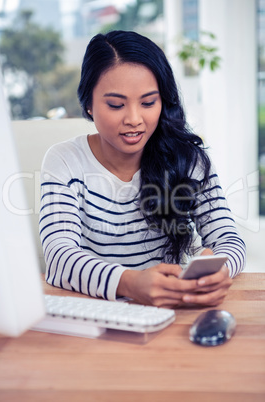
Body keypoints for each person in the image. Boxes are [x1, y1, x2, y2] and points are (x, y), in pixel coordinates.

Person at [39, 30, 246, 308]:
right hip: (93, 314)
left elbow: (229, 239)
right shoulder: (64, 161)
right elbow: (58, 256)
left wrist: (220, 269)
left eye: (148, 103)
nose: (135, 119)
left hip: (171, 312)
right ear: (88, 104)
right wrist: (129, 282)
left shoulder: (188, 160)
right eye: (116, 104)